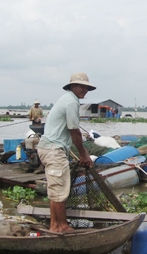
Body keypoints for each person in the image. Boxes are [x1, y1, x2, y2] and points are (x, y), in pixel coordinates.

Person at [37, 73, 95, 233]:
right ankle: (61, 226)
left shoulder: (68, 99)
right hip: (54, 150)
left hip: (50, 148)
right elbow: (74, 131)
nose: (85, 90)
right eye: (81, 86)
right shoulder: (71, 102)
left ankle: (55, 225)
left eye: (86, 87)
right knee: (59, 189)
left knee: (56, 188)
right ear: (72, 86)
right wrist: (84, 154)